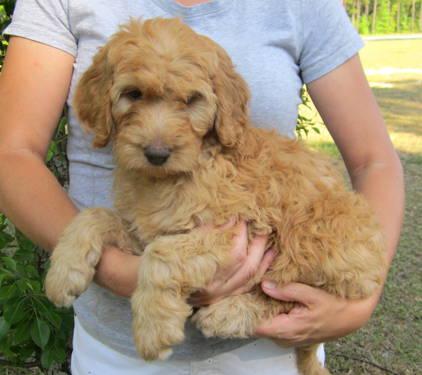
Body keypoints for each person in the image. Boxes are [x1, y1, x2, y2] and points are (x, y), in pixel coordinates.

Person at [0, 0, 404, 374]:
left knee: (304, 237)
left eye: (190, 102)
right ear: (102, 100)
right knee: (98, 222)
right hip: (115, 351)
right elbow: (10, 152)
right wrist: (105, 259)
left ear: (220, 109)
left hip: (270, 349)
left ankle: (257, 304)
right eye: (134, 95)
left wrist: (359, 304)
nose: (157, 141)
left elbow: (375, 161)